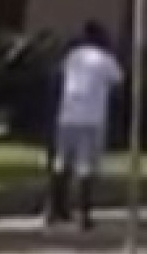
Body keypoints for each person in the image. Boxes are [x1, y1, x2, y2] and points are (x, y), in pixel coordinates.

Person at [46, 20, 125, 231]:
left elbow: (60, 75)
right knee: (86, 167)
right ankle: (84, 214)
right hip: (91, 118)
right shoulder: (105, 60)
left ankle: (55, 209)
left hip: (67, 116)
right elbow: (119, 81)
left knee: (61, 162)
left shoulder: (73, 56)